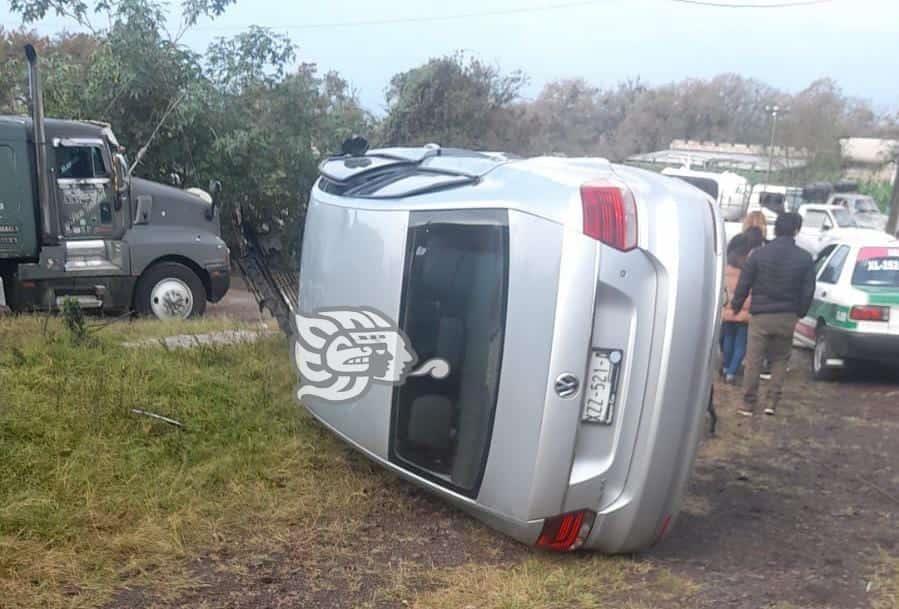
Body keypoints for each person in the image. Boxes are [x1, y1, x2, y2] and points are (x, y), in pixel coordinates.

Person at [730, 212, 815, 417]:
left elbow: (744, 283)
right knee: (780, 359)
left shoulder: (759, 255)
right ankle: (771, 403)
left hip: (760, 315)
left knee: (754, 359)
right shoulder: (805, 258)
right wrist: (800, 312)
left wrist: (736, 304)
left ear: (775, 229)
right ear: (797, 230)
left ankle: (748, 403)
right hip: (787, 315)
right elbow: (808, 290)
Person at [720, 236, 754, 383]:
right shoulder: (750, 266)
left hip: (728, 309)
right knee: (740, 343)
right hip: (745, 311)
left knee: (728, 338)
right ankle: (732, 372)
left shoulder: (726, 266)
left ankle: (726, 367)